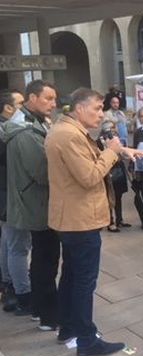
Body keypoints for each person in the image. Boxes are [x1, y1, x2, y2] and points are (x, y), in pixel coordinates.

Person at [46, 87, 143, 356]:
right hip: (80, 219)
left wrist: (121, 149)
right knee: (83, 281)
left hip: (72, 218)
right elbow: (89, 176)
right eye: (97, 108)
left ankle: (67, 328)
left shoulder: (67, 131)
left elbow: (90, 160)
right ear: (80, 109)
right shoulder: (69, 136)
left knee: (71, 276)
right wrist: (112, 152)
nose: (101, 114)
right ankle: (87, 341)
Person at [2, 80, 59, 329]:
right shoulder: (25, 131)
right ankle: (44, 311)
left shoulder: (32, 125)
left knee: (38, 255)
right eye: (48, 98)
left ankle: (38, 306)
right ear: (31, 99)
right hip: (35, 203)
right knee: (43, 258)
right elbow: (42, 172)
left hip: (31, 202)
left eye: (54, 99)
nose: (53, 104)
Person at [0, 89, 24, 308]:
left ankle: (9, 285)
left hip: (6, 196)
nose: (23, 108)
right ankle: (18, 291)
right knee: (15, 245)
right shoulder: (6, 133)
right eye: (20, 103)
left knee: (7, 242)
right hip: (7, 197)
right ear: (8, 108)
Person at [98, 120, 131, 232]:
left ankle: (119, 220)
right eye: (110, 128)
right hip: (109, 171)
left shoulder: (117, 139)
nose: (113, 130)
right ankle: (110, 222)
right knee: (110, 198)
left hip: (119, 169)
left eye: (113, 128)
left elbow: (122, 152)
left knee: (119, 196)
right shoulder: (99, 141)